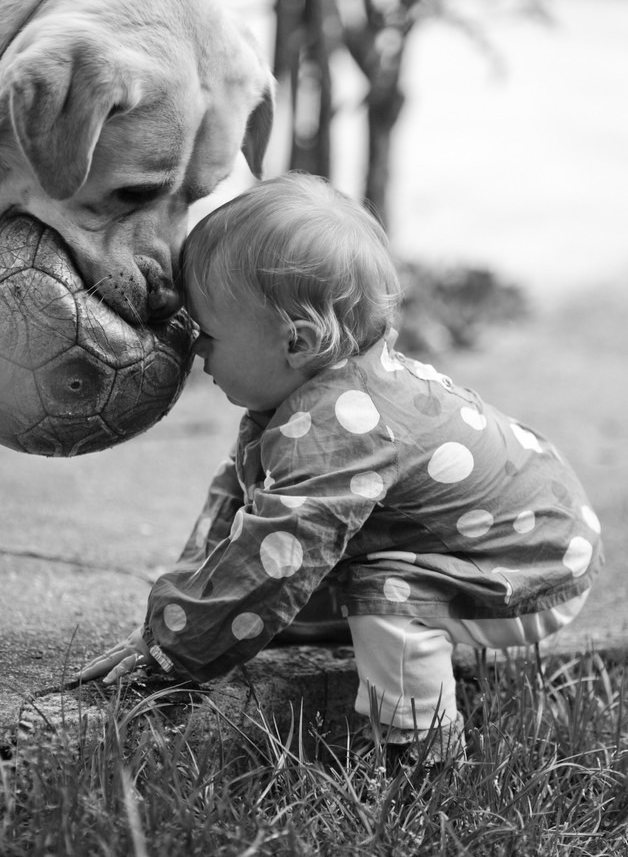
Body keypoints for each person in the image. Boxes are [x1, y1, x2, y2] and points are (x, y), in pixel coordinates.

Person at [79, 172, 603, 758]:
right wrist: (177, 619)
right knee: (293, 573)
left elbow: (274, 553)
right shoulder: (307, 392)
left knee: (382, 594)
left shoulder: (341, 429)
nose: (193, 349)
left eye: (207, 334)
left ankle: (424, 754)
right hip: (530, 524)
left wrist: (176, 654)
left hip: (531, 567)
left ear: (297, 342)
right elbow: (238, 510)